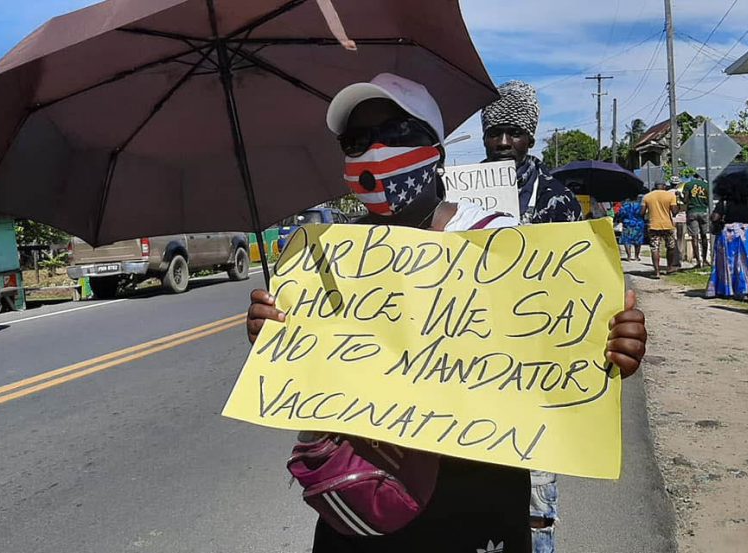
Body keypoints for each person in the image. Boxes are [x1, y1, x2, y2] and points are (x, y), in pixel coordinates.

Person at [245, 73, 649, 553]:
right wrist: (273, 333)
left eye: (396, 136)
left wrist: (612, 345)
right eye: (357, 141)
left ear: (436, 150)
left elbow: (559, 351)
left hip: (477, 494)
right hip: (363, 501)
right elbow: (310, 373)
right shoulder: (325, 257)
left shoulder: (500, 243)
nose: (376, 152)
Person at [480, 79, 583, 553]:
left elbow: (579, 285)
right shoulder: (458, 194)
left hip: (537, 375)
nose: (503, 142)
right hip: (472, 374)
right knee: (473, 508)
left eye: (513, 132)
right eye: (494, 131)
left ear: (531, 136)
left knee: (535, 507)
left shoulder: (556, 198)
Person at [481, 80, 583, 225]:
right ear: (484, 139)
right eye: (494, 134)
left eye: (515, 134)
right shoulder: (458, 197)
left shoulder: (561, 200)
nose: (503, 143)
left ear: (530, 141)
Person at [707, 171, 748, 300]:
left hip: (728, 235)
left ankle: (727, 289)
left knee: (727, 263)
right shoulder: (747, 203)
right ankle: (745, 290)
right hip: (746, 235)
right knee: (746, 262)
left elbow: (715, 217)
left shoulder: (723, 203)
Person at [643, 181, 680, 278]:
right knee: (670, 247)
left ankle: (657, 272)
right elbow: (675, 212)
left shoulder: (647, 196)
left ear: (655, 187)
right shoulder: (670, 196)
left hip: (653, 226)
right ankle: (669, 267)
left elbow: (641, 212)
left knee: (655, 248)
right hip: (668, 225)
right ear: (664, 186)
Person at [681, 177, 711, 267]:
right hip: (703, 211)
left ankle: (698, 261)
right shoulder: (706, 185)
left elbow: (685, 200)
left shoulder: (688, 185)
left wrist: (680, 197)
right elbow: (708, 200)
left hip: (692, 211)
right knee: (704, 235)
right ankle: (705, 259)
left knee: (694, 237)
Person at [616, 195, 646, 261]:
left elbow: (621, 214)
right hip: (638, 224)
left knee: (626, 240)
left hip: (628, 223)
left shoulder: (625, 206)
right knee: (638, 240)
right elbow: (643, 213)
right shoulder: (640, 206)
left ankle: (629, 256)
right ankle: (636, 256)